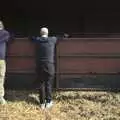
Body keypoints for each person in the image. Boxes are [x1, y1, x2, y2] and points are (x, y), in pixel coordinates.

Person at [32, 27, 68, 109]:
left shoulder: (37, 40)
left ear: (40, 33)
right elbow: (61, 37)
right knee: (48, 83)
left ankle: (42, 103)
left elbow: (31, 38)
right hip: (49, 65)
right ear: (47, 33)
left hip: (40, 65)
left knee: (41, 83)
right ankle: (48, 102)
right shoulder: (52, 39)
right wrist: (66, 35)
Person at [0, 21, 10, 105]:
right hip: (1, 59)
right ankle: (0, 97)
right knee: (1, 77)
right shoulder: (5, 33)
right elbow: (10, 39)